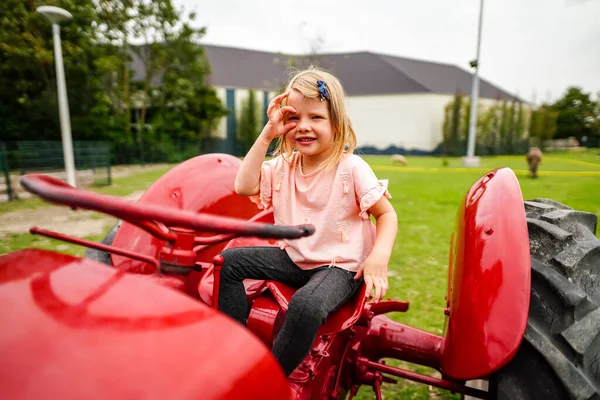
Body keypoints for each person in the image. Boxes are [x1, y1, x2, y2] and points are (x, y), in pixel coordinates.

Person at [218, 67, 398, 376]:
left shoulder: (351, 167)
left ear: (336, 123)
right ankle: (235, 350)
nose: (304, 127)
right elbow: (243, 186)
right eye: (294, 118)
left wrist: (378, 258)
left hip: (339, 266)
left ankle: (267, 378)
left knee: (305, 306)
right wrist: (267, 134)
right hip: (294, 258)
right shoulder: (284, 166)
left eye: (315, 117)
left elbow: (387, 214)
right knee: (228, 263)